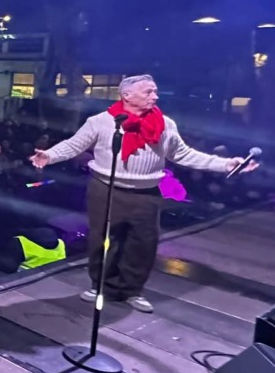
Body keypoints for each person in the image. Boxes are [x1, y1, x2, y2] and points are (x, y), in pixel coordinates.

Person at [30, 74, 255, 312]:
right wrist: (49, 155)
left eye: (155, 91)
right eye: (148, 92)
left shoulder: (165, 124)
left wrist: (225, 164)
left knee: (143, 243)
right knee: (103, 240)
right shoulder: (101, 121)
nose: (155, 96)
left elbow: (184, 154)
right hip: (105, 189)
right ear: (126, 95)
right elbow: (75, 144)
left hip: (146, 192)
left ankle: (131, 290)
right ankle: (101, 286)